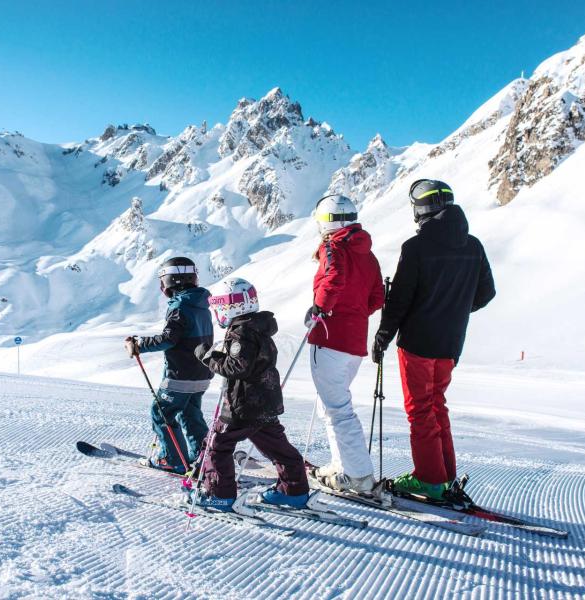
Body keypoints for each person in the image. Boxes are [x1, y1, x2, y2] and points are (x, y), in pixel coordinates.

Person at [373, 179, 495, 500]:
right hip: (450, 345)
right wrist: (452, 309)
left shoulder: (415, 249)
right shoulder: (473, 246)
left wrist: (383, 338)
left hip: (417, 344)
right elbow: (486, 293)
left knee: (420, 411)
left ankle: (429, 479)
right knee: (437, 406)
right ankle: (444, 475)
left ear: (422, 209)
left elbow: (399, 302)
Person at [190, 277, 310, 512]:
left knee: (219, 445)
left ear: (232, 305)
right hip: (265, 402)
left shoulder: (241, 331)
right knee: (277, 445)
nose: (217, 312)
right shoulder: (259, 327)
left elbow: (238, 366)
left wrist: (208, 356)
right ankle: (294, 490)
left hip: (242, 405)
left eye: (219, 305)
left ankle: (218, 495)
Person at [306, 194, 384, 493]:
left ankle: (358, 476)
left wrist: (320, 308)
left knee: (337, 408)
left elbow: (333, 277)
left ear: (325, 221)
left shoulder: (332, 246)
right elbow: (377, 297)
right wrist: (354, 312)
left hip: (329, 337)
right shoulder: (367, 253)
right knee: (333, 407)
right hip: (354, 343)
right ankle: (343, 467)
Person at [125, 256, 213, 474]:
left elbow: (168, 339)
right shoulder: (201, 304)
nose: (161, 285)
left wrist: (139, 345)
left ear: (171, 281)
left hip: (180, 376)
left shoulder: (180, 306)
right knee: (190, 415)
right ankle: (204, 460)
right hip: (201, 374)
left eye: (162, 280)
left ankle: (172, 459)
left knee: (161, 413)